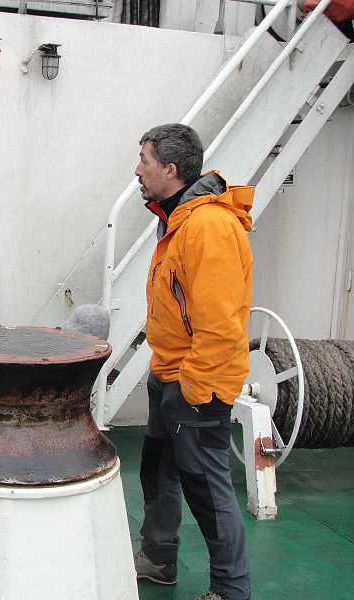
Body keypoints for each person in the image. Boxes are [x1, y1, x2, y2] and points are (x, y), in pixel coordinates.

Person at [132, 123, 253, 600]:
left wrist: (193, 389)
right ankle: (160, 559)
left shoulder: (208, 226)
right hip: (170, 373)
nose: (137, 170)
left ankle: (230, 588)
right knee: (158, 471)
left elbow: (222, 327)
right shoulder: (178, 218)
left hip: (197, 385)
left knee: (206, 489)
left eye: (143, 160)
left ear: (170, 169)